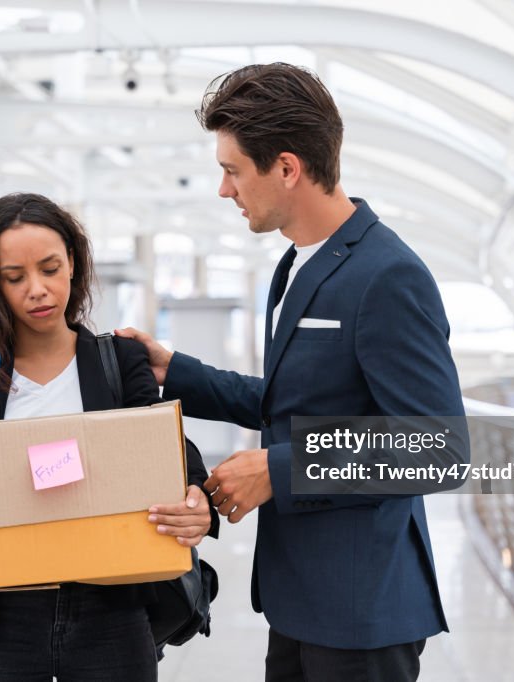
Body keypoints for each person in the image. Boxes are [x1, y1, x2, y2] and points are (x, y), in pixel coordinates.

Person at [116, 63, 467, 681]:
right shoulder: (296, 265)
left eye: (231, 170)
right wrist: (177, 372)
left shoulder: (388, 276)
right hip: (300, 599)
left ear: (285, 167)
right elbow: (297, 402)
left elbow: (438, 449)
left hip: (363, 612)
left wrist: (279, 469)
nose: (225, 190)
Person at [0, 193, 217, 681]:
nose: (37, 290)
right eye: (15, 277)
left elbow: (170, 449)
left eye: (50, 268)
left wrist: (197, 498)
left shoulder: (118, 362)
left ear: (73, 263)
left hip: (110, 614)